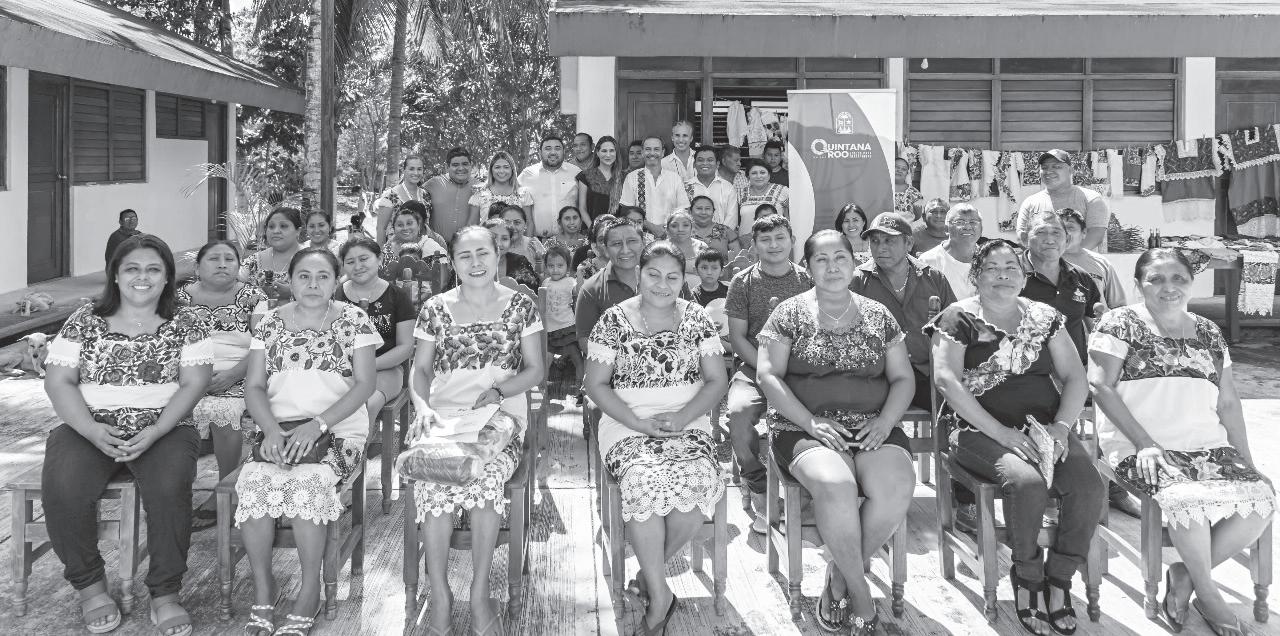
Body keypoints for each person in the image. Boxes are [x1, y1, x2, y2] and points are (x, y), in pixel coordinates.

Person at [1088, 248, 1275, 636]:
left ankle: (1186, 576)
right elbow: (1100, 386)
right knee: (1188, 499)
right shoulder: (1119, 323)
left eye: (1178, 278)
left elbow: (1227, 402)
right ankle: (1208, 594)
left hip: (1207, 445)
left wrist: (1248, 462)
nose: (1168, 287)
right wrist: (1145, 443)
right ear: (1138, 285)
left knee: (1261, 499)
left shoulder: (1208, 331)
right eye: (1156, 279)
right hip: (1141, 446)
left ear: (1191, 283)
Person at [925, 239, 1105, 636]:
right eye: (992, 268)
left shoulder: (1044, 316)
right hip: (975, 430)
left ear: (1024, 277)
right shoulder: (957, 317)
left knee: (1088, 486)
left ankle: (1060, 578)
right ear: (975, 276)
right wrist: (1002, 434)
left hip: (1043, 429)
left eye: (1011, 268)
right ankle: (1027, 576)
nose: (1002, 275)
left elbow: (1076, 377)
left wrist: (1061, 428)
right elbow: (946, 381)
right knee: (1026, 483)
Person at [44, 233, 212, 636]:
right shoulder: (84, 319)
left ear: (167, 277)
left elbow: (194, 383)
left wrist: (157, 430)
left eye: (154, 269)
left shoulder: (188, 322)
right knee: (64, 487)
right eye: (132, 268)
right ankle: (91, 589)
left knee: (170, 489)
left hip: (165, 427)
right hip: (88, 426)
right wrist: (90, 429)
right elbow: (58, 382)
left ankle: (165, 594)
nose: (143, 277)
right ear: (115, 275)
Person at [757, 229, 917, 634]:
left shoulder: (879, 315)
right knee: (836, 485)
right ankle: (861, 596)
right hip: (804, 426)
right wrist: (809, 421)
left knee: (897, 487)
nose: (832, 267)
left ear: (854, 262)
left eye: (840, 258)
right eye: (821, 260)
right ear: (808, 267)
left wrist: (885, 421)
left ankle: (841, 575)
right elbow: (768, 376)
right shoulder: (789, 314)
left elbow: (903, 378)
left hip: (873, 425)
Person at [584, 240, 728, 636]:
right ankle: (660, 598)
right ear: (639, 274)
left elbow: (717, 380)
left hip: (689, 422)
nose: (662, 285)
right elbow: (595, 385)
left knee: (694, 488)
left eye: (672, 277)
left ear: (683, 280)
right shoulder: (614, 320)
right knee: (644, 481)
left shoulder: (696, 317)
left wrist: (682, 417)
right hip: (627, 423)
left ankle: (649, 579)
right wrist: (637, 422)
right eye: (653, 274)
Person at [408, 225, 545, 636]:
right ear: (453, 262)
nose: (475, 262)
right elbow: (420, 371)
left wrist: (499, 392)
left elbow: (535, 370)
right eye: (465, 256)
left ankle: (480, 593)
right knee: (434, 484)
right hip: (445, 419)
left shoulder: (521, 305)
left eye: (482, 252)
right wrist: (422, 408)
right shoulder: (435, 308)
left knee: (485, 480)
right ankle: (440, 595)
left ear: (497, 254)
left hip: (499, 418)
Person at [235, 247, 379, 636]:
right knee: (254, 484)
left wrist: (318, 424)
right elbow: (254, 386)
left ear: (336, 282)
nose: (313, 285)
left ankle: (309, 590)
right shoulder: (269, 322)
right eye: (304, 276)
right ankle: (264, 590)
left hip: (339, 431)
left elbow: (365, 384)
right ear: (290, 280)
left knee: (307, 483)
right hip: (279, 430)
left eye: (322, 277)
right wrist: (269, 429)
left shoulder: (354, 320)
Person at [726, 214, 813, 533]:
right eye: (765, 239)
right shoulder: (742, 282)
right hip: (753, 367)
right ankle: (757, 484)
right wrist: (767, 370)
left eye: (779, 238)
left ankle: (806, 488)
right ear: (754, 245)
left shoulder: (808, 280)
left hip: (801, 370)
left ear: (792, 241)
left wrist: (791, 370)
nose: (773, 245)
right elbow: (737, 337)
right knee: (738, 414)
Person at [179, 240, 267, 488]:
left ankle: (226, 488)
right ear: (198, 268)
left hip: (241, 373)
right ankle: (179, 486)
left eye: (229, 259)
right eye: (213, 259)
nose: (222, 264)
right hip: (187, 375)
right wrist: (194, 377)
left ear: (238, 267)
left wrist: (233, 374)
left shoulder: (254, 297)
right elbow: (169, 343)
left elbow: (263, 344)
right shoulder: (179, 299)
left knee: (223, 413)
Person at [850, 213, 957, 411]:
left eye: (889, 240)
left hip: (928, 373)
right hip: (878, 378)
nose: (880, 248)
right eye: (875, 241)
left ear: (908, 243)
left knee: (954, 411)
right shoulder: (857, 281)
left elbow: (955, 328)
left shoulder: (933, 278)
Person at [334, 236, 416, 432]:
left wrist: (367, 366)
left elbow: (406, 347)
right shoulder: (336, 295)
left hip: (386, 370)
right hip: (341, 371)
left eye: (364, 259)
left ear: (379, 259)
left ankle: (356, 449)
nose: (358, 266)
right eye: (350, 262)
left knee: (366, 404)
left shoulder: (397, 296)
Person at [1020, 210, 1102, 364]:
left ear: (1067, 240)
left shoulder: (1081, 277)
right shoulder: (1012, 275)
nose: (1050, 240)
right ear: (1025, 238)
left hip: (1076, 371)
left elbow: (1096, 331)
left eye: (1056, 233)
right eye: (1041, 232)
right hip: (1027, 373)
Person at [1016, 150, 1109, 251]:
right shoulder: (1030, 202)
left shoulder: (1091, 199)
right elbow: (1022, 236)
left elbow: (1096, 235)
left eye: (1056, 167)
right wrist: (1043, 257)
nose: (1049, 171)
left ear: (1071, 170)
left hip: (1079, 260)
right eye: (1044, 167)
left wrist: (1069, 258)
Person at [619, 136, 690, 236]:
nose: (652, 153)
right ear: (642, 152)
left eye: (656, 149)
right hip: (640, 236)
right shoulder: (632, 177)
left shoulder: (674, 178)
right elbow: (627, 212)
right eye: (648, 149)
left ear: (663, 152)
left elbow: (683, 210)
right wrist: (652, 227)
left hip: (671, 236)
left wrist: (668, 228)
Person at [1059, 208, 1127, 309]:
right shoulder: (1044, 262)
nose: (1064, 232)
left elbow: (1118, 306)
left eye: (1070, 227)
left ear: (1084, 233)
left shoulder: (1101, 262)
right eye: (1059, 228)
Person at [541, 245, 583, 404]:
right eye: (551, 266)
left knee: (577, 358)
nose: (555, 269)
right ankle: (542, 389)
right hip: (550, 329)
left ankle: (580, 388)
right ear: (546, 267)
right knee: (546, 360)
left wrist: (580, 275)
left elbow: (579, 291)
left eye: (560, 265)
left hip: (567, 327)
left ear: (567, 266)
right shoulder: (545, 282)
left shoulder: (570, 282)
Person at [519, 134, 582, 238]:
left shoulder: (576, 173)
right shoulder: (527, 174)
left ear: (564, 151)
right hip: (538, 241)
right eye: (548, 148)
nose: (553, 152)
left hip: (570, 240)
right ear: (540, 152)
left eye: (557, 148)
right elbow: (515, 200)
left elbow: (584, 204)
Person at [918, 203, 984, 299]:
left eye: (973, 222)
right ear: (946, 228)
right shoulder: (928, 261)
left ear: (981, 228)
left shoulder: (989, 259)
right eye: (959, 222)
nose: (967, 227)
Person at [241, 207, 304, 293]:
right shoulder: (253, 262)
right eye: (271, 226)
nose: (276, 231)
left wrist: (292, 292)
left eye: (283, 226)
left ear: (298, 231)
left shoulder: (313, 259)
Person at [424, 147, 477, 242]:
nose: (461, 168)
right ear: (447, 167)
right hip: (436, 246)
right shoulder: (433, 184)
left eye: (465, 164)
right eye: (455, 165)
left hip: (467, 245)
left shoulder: (479, 187)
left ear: (471, 165)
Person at [469, 151, 533, 229]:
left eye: (506, 167)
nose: (502, 171)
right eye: (497, 167)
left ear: (512, 170)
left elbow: (529, 223)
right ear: (491, 170)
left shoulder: (523, 193)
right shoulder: (480, 193)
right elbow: (472, 225)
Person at [375, 154, 429, 244]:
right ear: (404, 170)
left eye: (419, 169)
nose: (416, 173)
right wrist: (380, 251)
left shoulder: (426, 195)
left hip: (423, 247)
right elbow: (381, 229)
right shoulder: (390, 196)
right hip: (397, 249)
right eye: (411, 169)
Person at [684, 144, 739, 228]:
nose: (705, 163)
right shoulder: (685, 187)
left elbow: (732, 219)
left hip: (722, 235)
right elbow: (683, 216)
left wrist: (719, 234)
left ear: (717, 164)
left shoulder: (728, 187)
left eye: (710, 160)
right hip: (692, 234)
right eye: (700, 160)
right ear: (694, 164)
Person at [481, 217, 541, 291]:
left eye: (504, 239)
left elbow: (532, 290)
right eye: (493, 237)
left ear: (510, 242)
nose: (499, 243)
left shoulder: (520, 261)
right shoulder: (473, 263)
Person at [691, 249, 731, 352]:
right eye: (704, 268)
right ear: (696, 270)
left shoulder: (730, 289)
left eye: (714, 268)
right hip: (710, 342)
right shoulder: (693, 297)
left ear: (722, 271)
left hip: (734, 334)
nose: (709, 272)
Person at [576, 136, 623, 219]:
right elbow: (582, 208)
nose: (608, 155)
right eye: (604, 151)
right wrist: (592, 226)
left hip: (619, 226)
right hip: (591, 226)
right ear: (597, 153)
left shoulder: (624, 177)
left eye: (612, 151)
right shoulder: (585, 176)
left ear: (616, 153)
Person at [382, 203, 447, 263]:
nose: (405, 228)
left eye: (409, 223)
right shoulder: (389, 247)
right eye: (400, 225)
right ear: (394, 228)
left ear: (418, 226)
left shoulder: (432, 247)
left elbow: (443, 269)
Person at [737, 160, 790, 235]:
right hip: (745, 239)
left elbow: (795, 212)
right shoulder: (740, 193)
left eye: (762, 173)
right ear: (748, 177)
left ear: (769, 175)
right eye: (754, 173)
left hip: (774, 239)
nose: (758, 176)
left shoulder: (782, 191)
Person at [665, 209, 711, 288]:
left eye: (685, 225)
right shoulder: (661, 247)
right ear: (667, 229)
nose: (680, 229)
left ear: (692, 228)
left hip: (700, 292)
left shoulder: (702, 246)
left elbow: (709, 271)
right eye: (674, 226)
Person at [688, 195, 740, 260]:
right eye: (699, 208)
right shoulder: (683, 231)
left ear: (713, 211)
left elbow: (738, 259)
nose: (703, 212)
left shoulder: (726, 231)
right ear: (690, 211)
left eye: (707, 209)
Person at [499, 205, 547, 269]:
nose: (512, 227)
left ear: (525, 225)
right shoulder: (494, 247)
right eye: (507, 222)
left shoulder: (534, 245)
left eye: (517, 222)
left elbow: (546, 271)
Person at [575, 214, 615, 286]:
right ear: (595, 245)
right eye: (602, 240)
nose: (607, 243)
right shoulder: (586, 268)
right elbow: (580, 292)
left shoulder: (631, 263)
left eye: (612, 237)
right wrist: (580, 275)